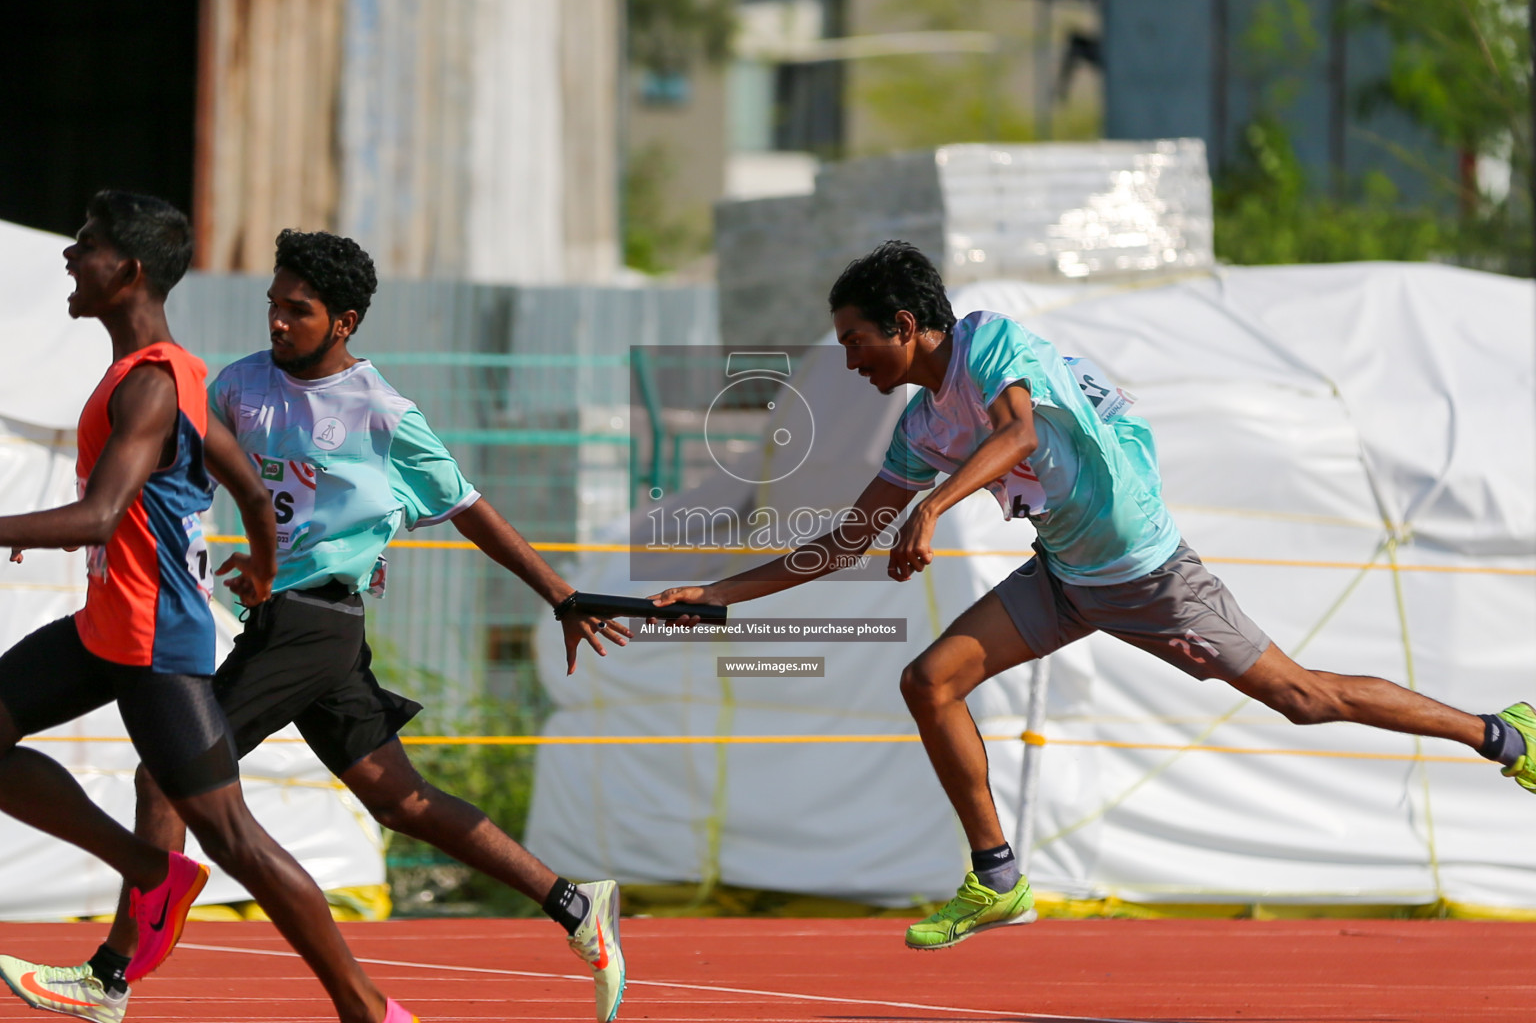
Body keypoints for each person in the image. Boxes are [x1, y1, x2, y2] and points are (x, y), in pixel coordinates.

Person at [651, 240, 1536, 950]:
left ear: (907, 325)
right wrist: (718, 595)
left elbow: (1019, 431)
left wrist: (935, 506)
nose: (848, 362)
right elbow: (844, 541)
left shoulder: (990, 343)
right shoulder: (922, 424)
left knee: (1303, 699)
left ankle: (1503, 733)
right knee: (929, 683)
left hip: (1151, 577)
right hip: (1067, 579)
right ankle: (997, 881)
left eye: (854, 341)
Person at [0, 228, 628, 1023]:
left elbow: (470, 509)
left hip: (319, 622)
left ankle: (112, 976)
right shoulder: (237, 386)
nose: (277, 322)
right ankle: (576, 905)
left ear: (346, 322)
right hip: (280, 621)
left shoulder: (384, 413)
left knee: (166, 775)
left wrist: (561, 596)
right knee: (399, 802)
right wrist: (242, 556)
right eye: (272, 305)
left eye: (298, 311)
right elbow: (204, 477)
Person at [0, 193, 419, 1022]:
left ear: (127, 270)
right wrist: (261, 570)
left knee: (235, 838)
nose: (69, 259)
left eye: (84, 246)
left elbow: (98, 515)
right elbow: (255, 499)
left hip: (154, 640)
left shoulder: (154, 384)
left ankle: (369, 1009)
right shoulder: (178, 373)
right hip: (111, 626)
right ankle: (152, 873)